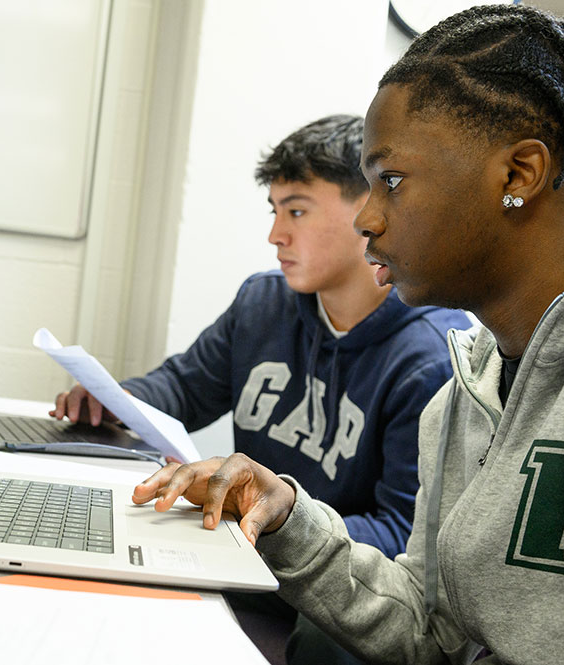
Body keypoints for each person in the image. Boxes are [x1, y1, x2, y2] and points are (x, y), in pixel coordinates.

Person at [134, 4, 564, 663]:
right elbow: (432, 631)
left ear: (519, 174)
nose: (367, 217)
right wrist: (286, 515)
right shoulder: (466, 391)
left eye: (391, 181)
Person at [52, 115, 469, 662]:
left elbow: (400, 536)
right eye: (275, 212)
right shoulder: (263, 303)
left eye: (296, 210)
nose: (276, 234)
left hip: (316, 606)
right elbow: (183, 387)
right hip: (240, 563)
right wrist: (113, 398)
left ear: (369, 208)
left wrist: (260, 517)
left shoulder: (429, 358)